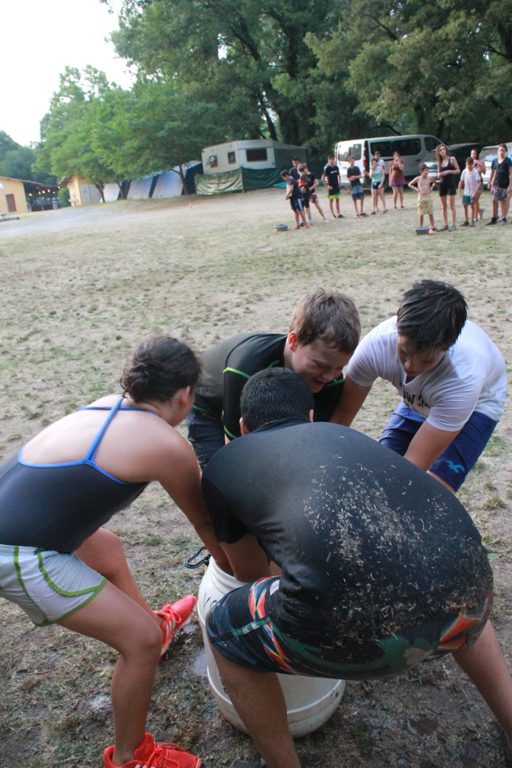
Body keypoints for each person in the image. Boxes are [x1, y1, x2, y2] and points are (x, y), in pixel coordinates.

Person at [202, 368, 512, 768]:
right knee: (448, 575)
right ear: (310, 417)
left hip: (360, 637)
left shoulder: (225, 462)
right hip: (474, 590)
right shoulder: (348, 436)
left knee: (224, 630)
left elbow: (250, 575)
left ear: (243, 427)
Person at [0, 336, 230, 768]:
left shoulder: (108, 404)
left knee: (107, 548)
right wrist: (235, 573)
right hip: (17, 552)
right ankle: (130, 757)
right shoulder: (166, 444)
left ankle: (155, 630)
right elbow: (204, 524)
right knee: (137, 643)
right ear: (185, 395)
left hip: (12, 521)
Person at [332, 280, 506, 493]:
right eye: (404, 351)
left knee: (431, 494)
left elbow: (413, 467)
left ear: (448, 347)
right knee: (383, 470)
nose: (410, 367)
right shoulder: (375, 347)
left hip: (479, 403)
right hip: (423, 397)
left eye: (426, 360)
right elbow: (338, 423)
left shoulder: (463, 379)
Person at [187, 290, 360, 469]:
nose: (329, 376)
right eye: (321, 365)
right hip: (208, 404)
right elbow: (234, 446)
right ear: (293, 341)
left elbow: (317, 438)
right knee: (223, 471)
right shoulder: (246, 367)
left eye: (340, 368)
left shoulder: (331, 377)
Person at [486, 143, 512, 226]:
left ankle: (504, 218)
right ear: (498, 151)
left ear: (505, 151)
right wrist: (491, 184)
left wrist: (510, 185)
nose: (501, 152)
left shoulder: (508, 161)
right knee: (494, 201)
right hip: (496, 184)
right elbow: (494, 173)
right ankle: (494, 218)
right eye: (500, 150)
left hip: (504, 184)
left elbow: (511, 174)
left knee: (504, 201)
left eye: (503, 150)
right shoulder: (495, 161)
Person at [436, 144, 459, 231]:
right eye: (441, 150)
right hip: (442, 184)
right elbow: (438, 174)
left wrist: (449, 171)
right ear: (438, 152)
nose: (443, 151)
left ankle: (453, 224)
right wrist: (440, 174)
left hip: (450, 183)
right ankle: (445, 224)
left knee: (451, 205)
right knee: (444, 206)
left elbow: (458, 170)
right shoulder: (439, 162)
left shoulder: (452, 159)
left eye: (443, 149)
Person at [408, 163, 436, 233]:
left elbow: (435, 182)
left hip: (428, 196)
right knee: (421, 213)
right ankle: (421, 227)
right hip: (421, 197)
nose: (427, 172)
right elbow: (410, 184)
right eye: (425, 171)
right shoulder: (418, 178)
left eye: (427, 171)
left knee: (430, 212)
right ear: (421, 171)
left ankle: (433, 226)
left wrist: (432, 187)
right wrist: (416, 189)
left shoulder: (429, 178)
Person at [458, 157, 482, 227]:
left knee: (472, 206)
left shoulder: (475, 172)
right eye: (467, 164)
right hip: (466, 192)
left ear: (472, 164)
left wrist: (475, 192)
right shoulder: (464, 171)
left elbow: (479, 182)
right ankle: (466, 220)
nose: (468, 166)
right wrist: (459, 190)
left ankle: (472, 220)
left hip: (472, 192)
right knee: (465, 205)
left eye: (470, 164)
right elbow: (461, 181)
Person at [471, 148, 485, 220]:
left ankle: (475, 217)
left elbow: (484, 171)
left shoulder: (480, 162)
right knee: (473, 200)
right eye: (472, 153)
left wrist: (478, 163)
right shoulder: (469, 162)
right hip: (472, 183)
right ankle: (479, 210)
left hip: (479, 182)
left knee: (475, 199)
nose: (473, 155)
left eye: (474, 153)